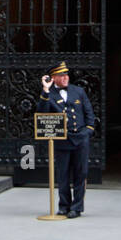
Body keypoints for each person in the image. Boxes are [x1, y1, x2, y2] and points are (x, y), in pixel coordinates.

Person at [37, 62, 96, 218]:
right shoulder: (49, 94)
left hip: (80, 138)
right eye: (61, 75)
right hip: (62, 139)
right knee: (62, 175)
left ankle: (76, 207)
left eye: (66, 75)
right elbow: (42, 113)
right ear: (53, 77)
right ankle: (64, 206)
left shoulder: (78, 91)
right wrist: (45, 90)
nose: (65, 78)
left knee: (80, 173)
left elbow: (89, 112)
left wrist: (88, 131)